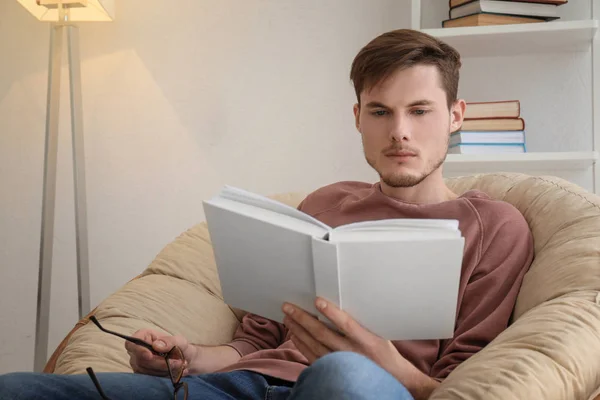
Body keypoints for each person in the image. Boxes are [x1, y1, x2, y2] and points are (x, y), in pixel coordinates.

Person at [0, 28, 534, 400]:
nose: (400, 131)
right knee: (15, 388)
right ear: (357, 118)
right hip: (239, 387)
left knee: (342, 373)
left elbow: (463, 385)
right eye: (380, 111)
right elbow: (255, 343)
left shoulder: (494, 227)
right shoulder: (325, 204)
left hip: (365, 390)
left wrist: (380, 361)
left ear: (455, 116)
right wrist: (187, 356)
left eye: (419, 111)